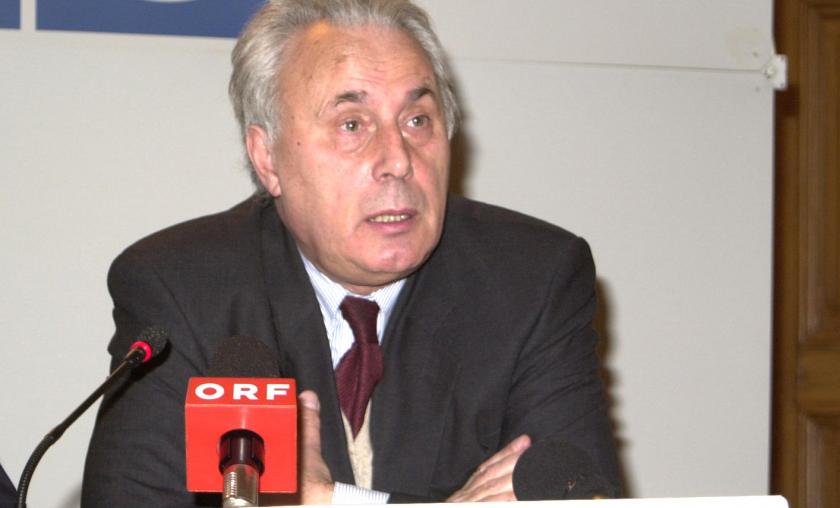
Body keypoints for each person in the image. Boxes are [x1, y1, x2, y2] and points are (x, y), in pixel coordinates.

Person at [82, 0, 622, 505]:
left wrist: (329, 500)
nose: (398, 160)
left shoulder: (533, 280)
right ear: (267, 157)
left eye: (417, 120)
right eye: (352, 125)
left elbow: (575, 495)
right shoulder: (181, 290)